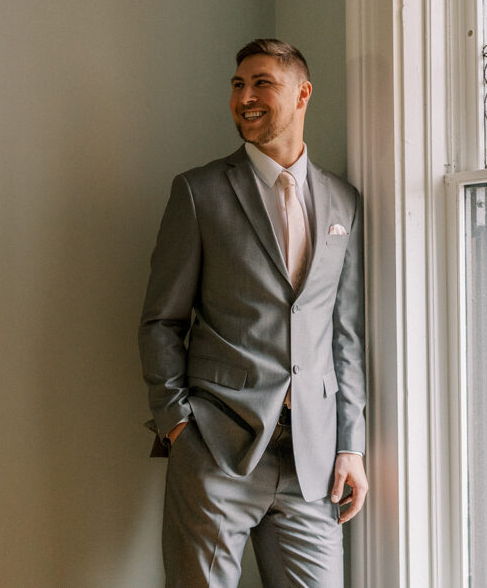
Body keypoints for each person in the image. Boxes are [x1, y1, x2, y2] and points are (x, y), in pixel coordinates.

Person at [138, 39, 368, 587]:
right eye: (238, 85)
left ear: (302, 93)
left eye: (262, 82)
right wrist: (177, 426)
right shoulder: (199, 192)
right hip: (217, 447)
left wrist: (350, 443)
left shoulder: (343, 202)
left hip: (312, 463)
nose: (246, 97)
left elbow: (345, 335)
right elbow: (161, 321)